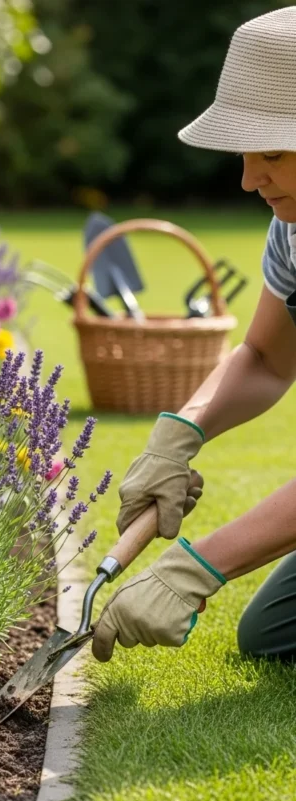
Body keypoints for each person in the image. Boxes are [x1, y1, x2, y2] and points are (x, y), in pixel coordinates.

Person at [92, 6, 296, 664]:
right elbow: (266, 358)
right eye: (245, 154)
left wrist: (196, 567)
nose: (248, 179)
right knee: (272, 633)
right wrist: (177, 436)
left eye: (271, 153)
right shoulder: (292, 230)